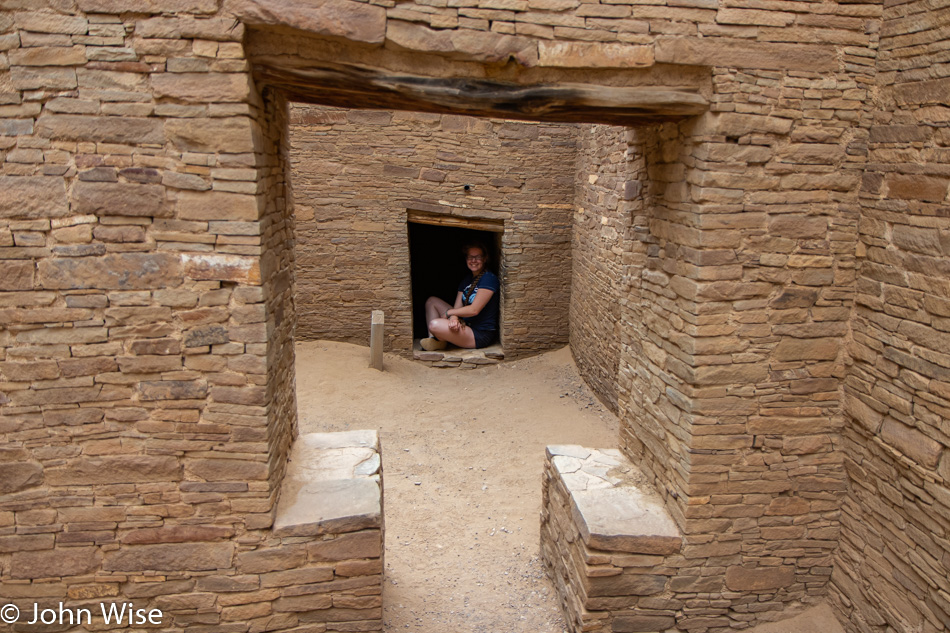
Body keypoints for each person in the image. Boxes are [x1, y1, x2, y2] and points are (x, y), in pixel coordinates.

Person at [421, 242, 499, 350]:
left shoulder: (489, 278)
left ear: (485, 258)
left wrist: (449, 313)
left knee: (434, 324)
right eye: (470, 257)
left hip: (479, 334)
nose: (473, 261)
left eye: (478, 257)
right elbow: (457, 307)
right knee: (432, 302)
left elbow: (474, 310)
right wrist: (454, 319)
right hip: (465, 324)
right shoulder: (466, 280)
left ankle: (437, 338)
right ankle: (433, 340)